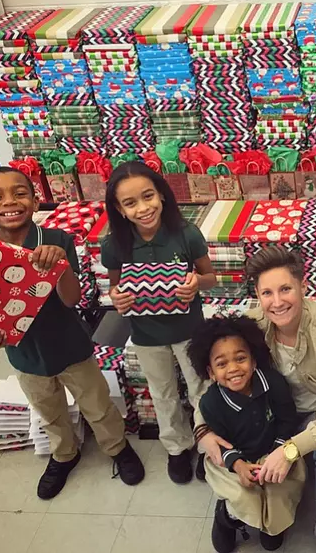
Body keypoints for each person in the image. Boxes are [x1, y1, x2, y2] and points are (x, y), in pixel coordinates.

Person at [0, 167, 144, 499]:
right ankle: (65, 454)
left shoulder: (57, 241)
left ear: (35, 201)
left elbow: (72, 299)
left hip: (71, 346)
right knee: (48, 410)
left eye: (19, 193)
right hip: (25, 354)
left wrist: (60, 266)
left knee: (97, 403)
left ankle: (116, 447)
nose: (9, 202)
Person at [196, 246, 316, 553]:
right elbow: (211, 378)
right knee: (230, 455)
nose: (277, 302)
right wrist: (202, 431)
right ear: (258, 297)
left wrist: (290, 449)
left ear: (303, 286)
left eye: (286, 289)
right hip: (264, 414)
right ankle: (233, 514)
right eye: (267, 293)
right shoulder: (251, 326)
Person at [102, 161, 216, 484]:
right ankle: (177, 447)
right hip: (147, 335)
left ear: (162, 196)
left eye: (148, 196)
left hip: (190, 331)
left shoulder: (186, 234)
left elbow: (209, 277)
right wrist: (117, 298)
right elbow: (115, 287)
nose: (143, 208)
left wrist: (196, 284)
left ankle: (208, 445)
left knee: (200, 388)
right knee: (162, 391)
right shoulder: (114, 245)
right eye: (130, 203)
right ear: (119, 209)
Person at [188, 316, 306, 553]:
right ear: (210, 372)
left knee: (281, 490)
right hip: (235, 456)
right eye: (222, 364)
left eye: (240, 359)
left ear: (253, 362)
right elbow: (220, 443)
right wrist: (238, 465)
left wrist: (278, 453)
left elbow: (287, 420)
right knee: (244, 495)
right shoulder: (211, 403)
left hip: (275, 448)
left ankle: (272, 525)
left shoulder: (274, 383)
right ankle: (227, 518)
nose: (233, 369)